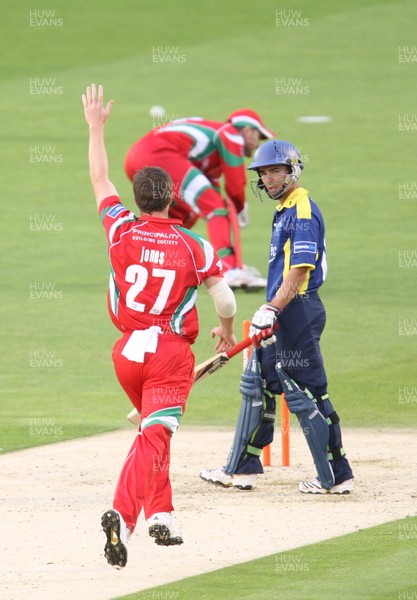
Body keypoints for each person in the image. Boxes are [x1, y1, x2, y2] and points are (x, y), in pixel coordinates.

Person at [82, 84, 237, 568]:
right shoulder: (193, 246)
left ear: (137, 196)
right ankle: (123, 516)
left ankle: (162, 515)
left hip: (126, 354)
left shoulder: (120, 227)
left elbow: (100, 177)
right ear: (172, 196)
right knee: (153, 438)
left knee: (156, 431)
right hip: (170, 354)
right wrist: (228, 332)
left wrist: (96, 127)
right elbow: (226, 296)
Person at [200, 139, 354, 494]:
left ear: (292, 170)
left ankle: (335, 475)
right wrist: (270, 311)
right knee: (257, 382)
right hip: (282, 311)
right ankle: (241, 468)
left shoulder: (301, 209)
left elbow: (300, 270)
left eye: (275, 171)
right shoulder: (284, 209)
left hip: (297, 309)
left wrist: (271, 308)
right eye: (264, 173)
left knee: (306, 393)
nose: (269, 179)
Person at [124, 109, 276, 289]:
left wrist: (231, 206)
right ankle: (229, 269)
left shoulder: (215, 146)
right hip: (160, 155)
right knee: (214, 207)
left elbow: (212, 184)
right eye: (258, 136)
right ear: (248, 130)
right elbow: (235, 183)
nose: (257, 144)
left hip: (137, 158)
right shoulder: (230, 134)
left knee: (182, 215)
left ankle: (154, 265)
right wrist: (241, 206)